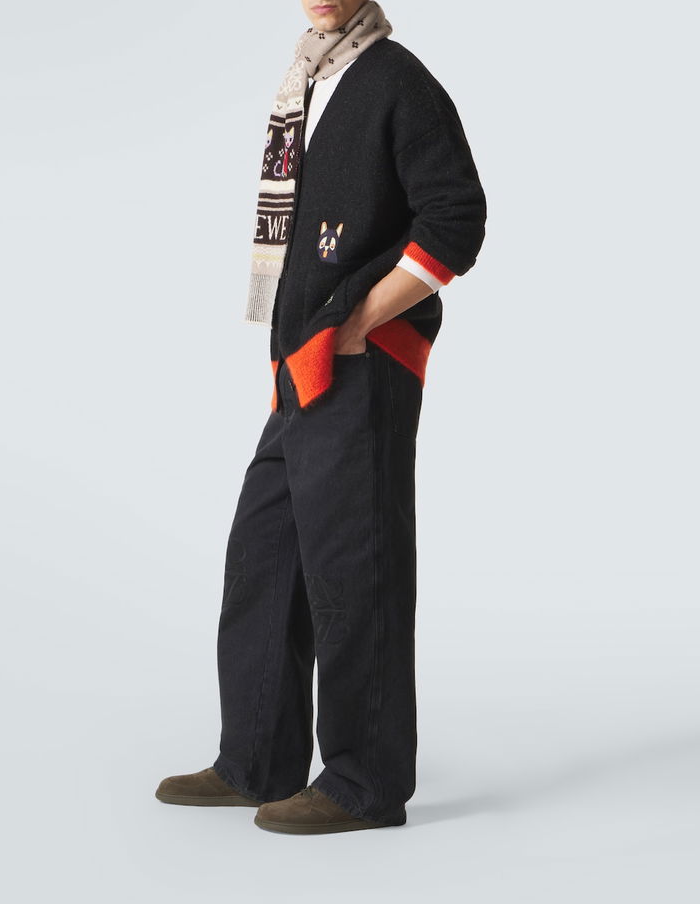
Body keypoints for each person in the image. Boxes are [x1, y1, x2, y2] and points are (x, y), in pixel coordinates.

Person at [155, 0, 487, 835]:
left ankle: (364, 783)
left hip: (360, 365)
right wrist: (303, 344)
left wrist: (357, 324)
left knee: (354, 572)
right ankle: (256, 761)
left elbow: (456, 219)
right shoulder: (308, 79)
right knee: (264, 559)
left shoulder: (397, 81)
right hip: (300, 365)